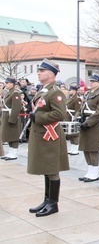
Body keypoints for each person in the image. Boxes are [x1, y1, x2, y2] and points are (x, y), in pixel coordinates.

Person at [27, 58, 69, 217]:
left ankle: (53, 203)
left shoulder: (55, 92)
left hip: (50, 135)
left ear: (51, 74)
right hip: (42, 135)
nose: (38, 73)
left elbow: (60, 114)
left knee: (52, 169)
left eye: (41, 71)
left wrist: (38, 116)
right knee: (46, 168)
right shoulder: (44, 90)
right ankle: (46, 200)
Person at [78, 74, 99, 182]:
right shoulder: (88, 94)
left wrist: (88, 122)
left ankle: (94, 172)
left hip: (93, 124)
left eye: (94, 81)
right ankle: (90, 170)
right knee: (85, 147)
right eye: (90, 81)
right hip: (85, 122)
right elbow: (82, 108)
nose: (91, 83)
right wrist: (78, 117)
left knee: (93, 148)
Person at [1, 77, 22, 160]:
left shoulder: (15, 93)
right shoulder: (9, 92)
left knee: (13, 136)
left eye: (7, 82)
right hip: (6, 116)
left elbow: (16, 107)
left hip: (11, 117)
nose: (5, 84)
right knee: (8, 135)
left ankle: (14, 153)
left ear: (12, 84)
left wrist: (12, 119)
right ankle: (10, 152)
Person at [65, 85, 82, 155]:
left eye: (70, 90)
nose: (69, 92)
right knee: (70, 134)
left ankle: (76, 148)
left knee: (75, 134)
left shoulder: (77, 99)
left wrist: (75, 118)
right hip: (68, 117)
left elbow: (78, 110)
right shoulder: (69, 98)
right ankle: (72, 147)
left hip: (72, 117)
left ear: (74, 91)